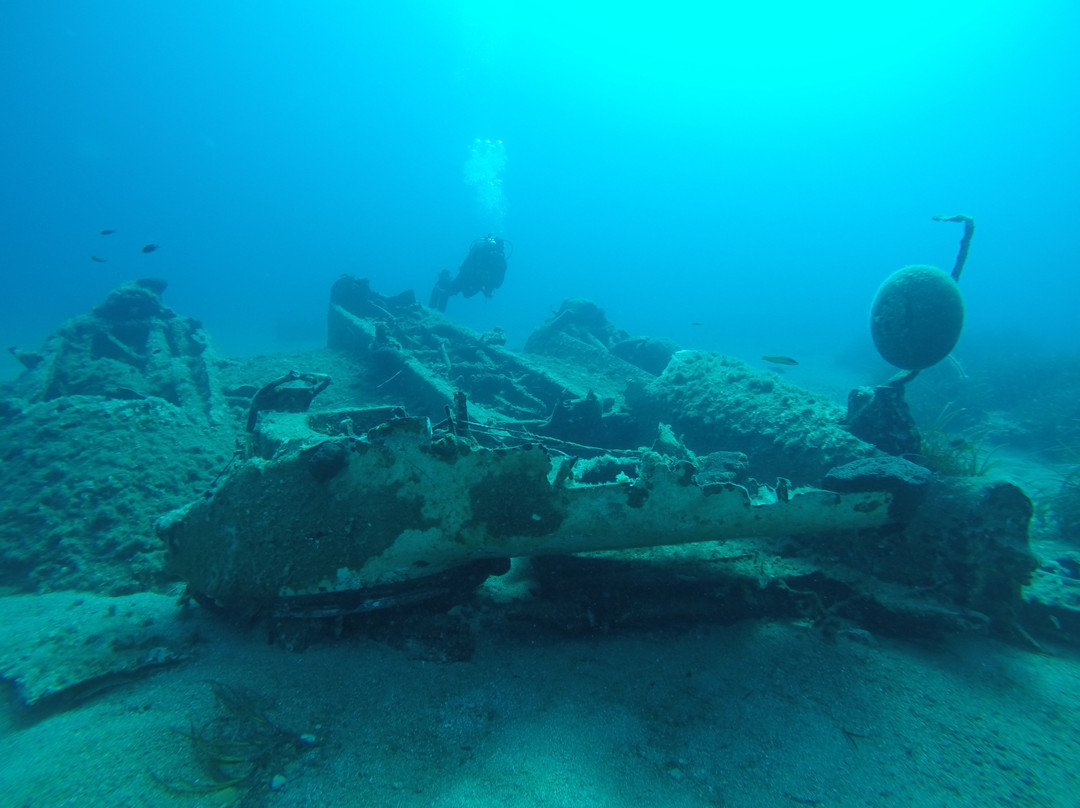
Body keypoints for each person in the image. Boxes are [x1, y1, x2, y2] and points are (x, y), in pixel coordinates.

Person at [430, 235, 509, 312]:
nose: (497, 253)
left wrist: (489, 288)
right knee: (452, 290)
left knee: (462, 292)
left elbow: (498, 282)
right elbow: (473, 263)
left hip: (474, 279)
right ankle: (443, 281)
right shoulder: (485, 253)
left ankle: (443, 284)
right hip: (468, 274)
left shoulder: (501, 263)